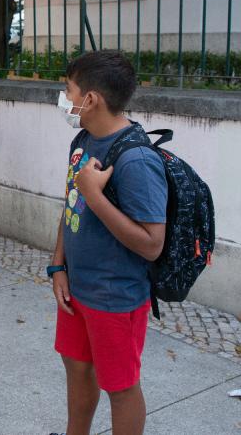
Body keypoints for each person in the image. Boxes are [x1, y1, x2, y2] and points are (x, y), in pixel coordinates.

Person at [49, 50, 167, 435]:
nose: (65, 100)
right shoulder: (83, 140)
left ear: (92, 99)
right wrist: (58, 265)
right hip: (78, 287)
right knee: (77, 368)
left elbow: (152, 244)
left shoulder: (135, 160)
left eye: (69, 91)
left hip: (116, 297)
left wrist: (95, 196)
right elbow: (71, 206)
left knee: (120, 386)